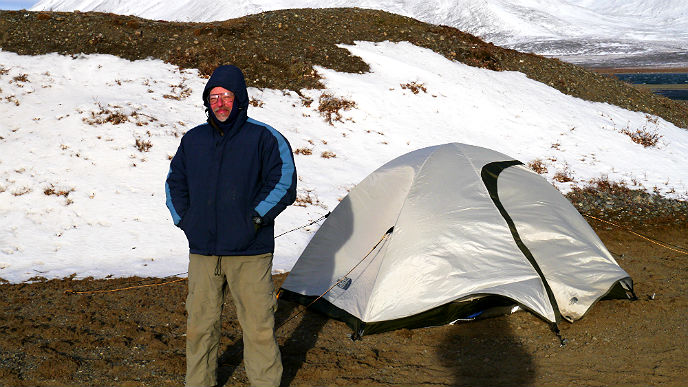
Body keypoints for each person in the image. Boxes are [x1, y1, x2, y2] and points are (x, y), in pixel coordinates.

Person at [165, 65, 297, 387]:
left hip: (250, 253)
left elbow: (284, 182)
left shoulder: (265, 138)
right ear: (206, 102)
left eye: (226, 96)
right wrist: (186, 221)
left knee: (259, 329)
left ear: (240, 100)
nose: (220, 103)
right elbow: (174, 184)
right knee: (199, 328)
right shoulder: (193, 140)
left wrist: (253, 219)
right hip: (205, 253)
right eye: (214, 97)